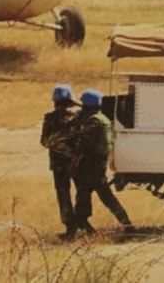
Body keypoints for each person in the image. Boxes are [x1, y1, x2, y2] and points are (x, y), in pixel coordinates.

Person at [69, 89, 134, 236]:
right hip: (98, 164)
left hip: (91, 165)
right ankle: (85, 229)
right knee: (91, 197)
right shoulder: (103, 118)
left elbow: (80, 138)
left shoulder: (94, 121)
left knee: (91, 197)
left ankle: (127, 226)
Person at [40, 84, 80, 238]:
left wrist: (61, 147)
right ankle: (83, 223)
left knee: (63, 195)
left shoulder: (50, 118)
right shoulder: (78, 117)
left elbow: (45, 141)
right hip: (77, 161)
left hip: (59, 163)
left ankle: (71, 228)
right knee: (82, 193)